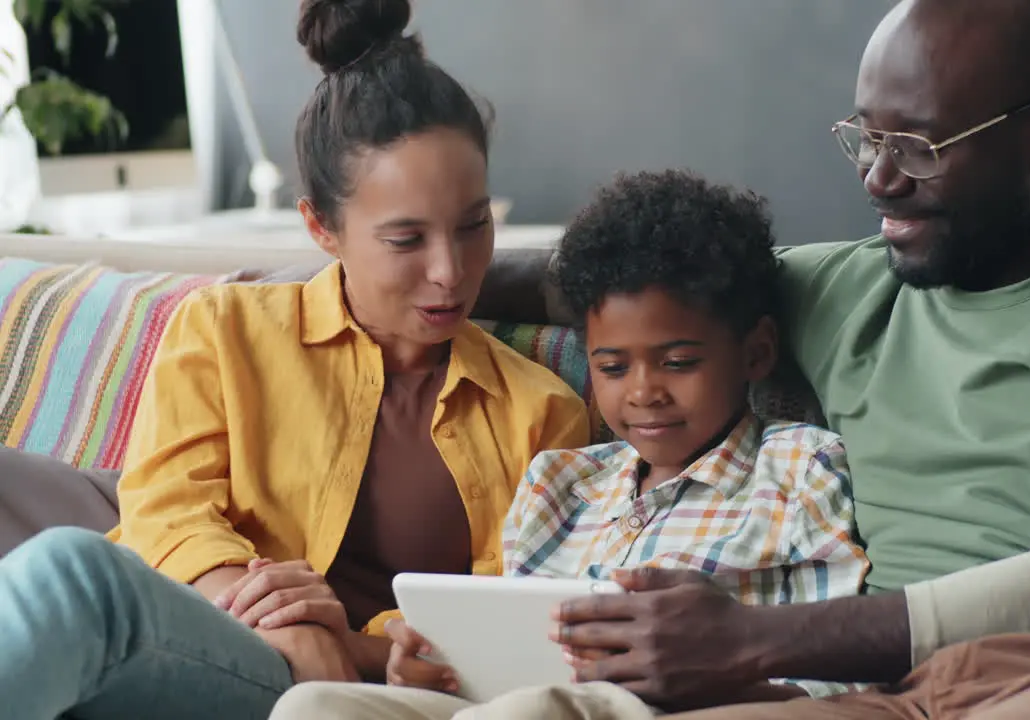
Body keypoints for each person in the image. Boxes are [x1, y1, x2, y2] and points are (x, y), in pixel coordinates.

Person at [464, 1, 1030, 719]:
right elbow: (632, 279)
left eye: (921, 148)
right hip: (886, 695)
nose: (878, 180)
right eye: (866, 137)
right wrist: (411, 276)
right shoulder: (853, 288)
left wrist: (757, 640)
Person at [0, 0, 588, 717]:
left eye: (473, 227)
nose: (451, 271)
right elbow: (165, 508)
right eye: (407, 240)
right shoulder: (225, 330)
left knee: (73, 576)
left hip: (356, 692)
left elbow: (503, 621)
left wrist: (338, 638)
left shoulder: (540, 410)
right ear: (321, 227)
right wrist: (282, 619)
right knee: (70, 574)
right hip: (203, 638)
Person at [270, 169, 871, 719]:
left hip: (688, 711)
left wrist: (721, 678)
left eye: (679, 362)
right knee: (314, 706)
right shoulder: (560, 483)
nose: (643, 393)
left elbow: (838, 684)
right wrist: (425, 669)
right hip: (511, 707)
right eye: (612, 368)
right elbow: (497, 652)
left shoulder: (797, 468)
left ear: (757, 352)